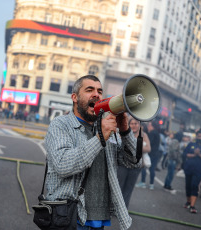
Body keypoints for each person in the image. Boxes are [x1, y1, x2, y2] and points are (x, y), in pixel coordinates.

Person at [44, 75, 141, 230]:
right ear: (74, 97)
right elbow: (63, 165)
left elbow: (134, 162)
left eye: (100, 91)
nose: (96, 94)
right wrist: (100, 137)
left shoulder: (106, 127)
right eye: (89, 90)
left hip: (99, 220)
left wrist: (125, 130)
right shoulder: (60, 125)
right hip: (69, 216)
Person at [117, 117, 151, 207]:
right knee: (119, 187)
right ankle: (115, 208)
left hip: (136, 167)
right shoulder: (124, 133)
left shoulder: (143, 135)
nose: (134, 125)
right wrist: (137, 146)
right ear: (129, 125)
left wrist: (133, 146)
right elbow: (119, 145)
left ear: (139, 125)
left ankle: (124, 208)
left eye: (136, 124)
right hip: (123, 165)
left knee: (129, 189)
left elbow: (148, 148)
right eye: (132, 124)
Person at [183, 128, 201, 213]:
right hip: (189, 168)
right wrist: (193, 154)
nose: (199, 137)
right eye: (198, 136)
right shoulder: (191, 144)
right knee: (188, 186)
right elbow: (185, 154)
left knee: (194, 186)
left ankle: (192, 206)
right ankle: (188, 202)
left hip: (199, 170)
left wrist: (199, 154)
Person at [136, 120, 161, 190]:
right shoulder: (157, 133)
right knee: (152, 169)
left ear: (152, 126)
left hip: (150, 153)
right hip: (156, 154)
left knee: (144, 167)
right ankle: (151, 184)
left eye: (149, 125)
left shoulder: (152, 133)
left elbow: (148, 143)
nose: (148, 126)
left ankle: (143, 182)